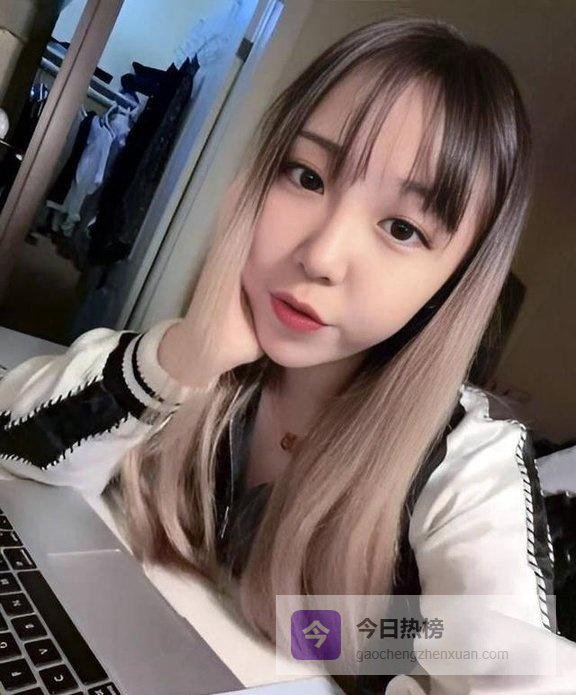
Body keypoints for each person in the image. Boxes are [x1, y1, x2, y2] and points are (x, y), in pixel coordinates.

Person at [0, 15, 574, 694]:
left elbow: (512, 662)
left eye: (402, 228)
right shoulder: (211, 365)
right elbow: (15, 446)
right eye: (306, 176)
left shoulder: (467, 459)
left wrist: (339, 638)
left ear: (453, 282)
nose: (321, 255)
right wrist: (182, 358)